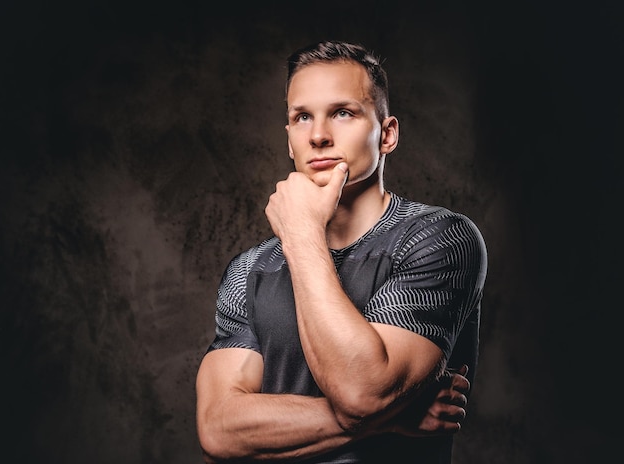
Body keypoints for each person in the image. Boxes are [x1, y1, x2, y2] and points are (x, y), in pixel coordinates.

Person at [195, 40, 487, 463]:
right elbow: (219, 430)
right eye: (302, 117)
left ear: (387, 134)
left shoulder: (437, 239)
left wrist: (301, 234)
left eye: (343, 113)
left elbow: (362, 393)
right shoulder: (251, 269)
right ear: (290, 140)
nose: (318, 135)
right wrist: (392, 418)